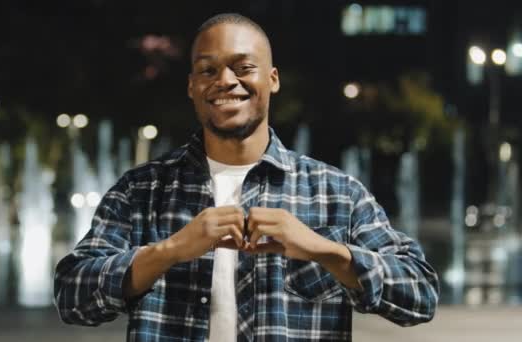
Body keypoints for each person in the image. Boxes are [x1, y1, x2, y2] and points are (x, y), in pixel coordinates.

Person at [54, 13, 439, 341]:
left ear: (272, 79)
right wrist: (170, 250)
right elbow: (72, 296)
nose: (225, 80)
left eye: (244, 67)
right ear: (192, 86)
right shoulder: (141, 192)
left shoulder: (336, 194)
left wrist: (324, 250)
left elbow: (420, 294)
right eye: (208, 69)